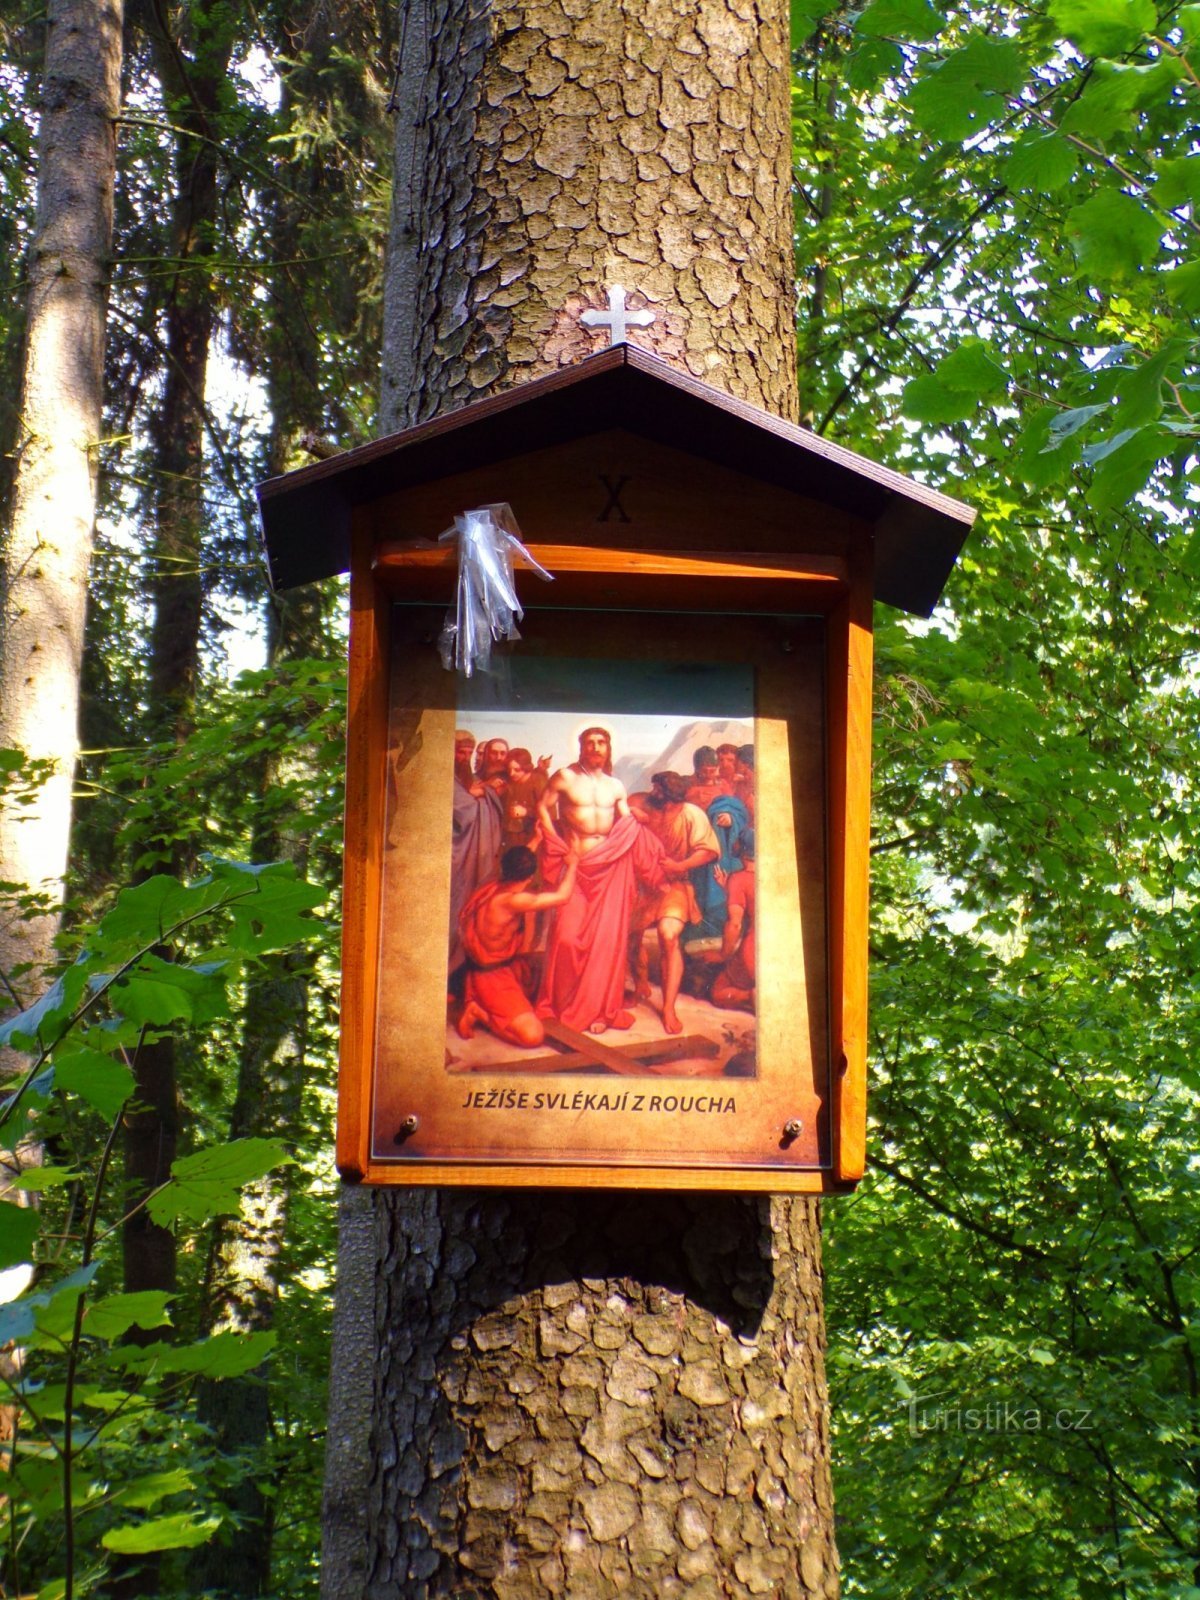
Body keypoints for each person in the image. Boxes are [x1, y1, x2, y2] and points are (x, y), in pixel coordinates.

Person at [536, 726, 664, 1034]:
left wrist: (634, 815)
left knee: (604, 943)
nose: (596, 747)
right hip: (576, 865)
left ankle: (598, 1010)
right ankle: (564, 1004)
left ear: (607, 748)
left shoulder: (615, 785)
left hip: (609, 869)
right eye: (590, 742)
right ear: (581, 747)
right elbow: (542, 806)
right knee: (566, 938)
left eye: (601, 743)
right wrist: (556, 843)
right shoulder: (566, 777)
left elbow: (623, 818)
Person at [456, 845, 579, 1047]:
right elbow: (562, 897)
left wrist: (536, 840)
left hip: (490, 968)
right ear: (529, 877)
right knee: (533, 1036)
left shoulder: (492, 885)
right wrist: (573, 865)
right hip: (491, 978)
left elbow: (516, 860)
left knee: (545, 979)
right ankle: (478, 1012)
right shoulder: (513, 901)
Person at [632, 772, 720, 1034]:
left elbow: (708, 851)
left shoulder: (691, 814)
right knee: (630, 936)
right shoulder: (639, 804)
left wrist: (680, 865)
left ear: (673, 798)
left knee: (668, 935)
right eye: (655, 789)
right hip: (641, 886)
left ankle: (668, 1007)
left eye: (660, 791)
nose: (655, 794)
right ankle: (640, 981)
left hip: (675, 884)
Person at [449, 728, 503, 979]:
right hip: (457, 854)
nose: (466, 758)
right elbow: (465, 809)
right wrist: (485, 794)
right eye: (461, 752)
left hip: (471, 855)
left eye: (469, 753)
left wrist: (484, 792)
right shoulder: (447, 778)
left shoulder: (466, 777)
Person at [710, 829, 756, 1012]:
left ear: (742, 852)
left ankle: (752, 996)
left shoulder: (738, 879)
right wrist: (729, 890)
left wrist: (723, 954)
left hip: (753, 953)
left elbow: (735, 924)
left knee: (718, 992)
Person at [500, 746, 548, 851]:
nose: (511, 773)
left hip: (533, 839)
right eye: (509, 769)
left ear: (526, 767)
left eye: (517, 770)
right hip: (511, 839)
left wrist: (526, 812)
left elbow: (549, 813)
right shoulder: (509, 782)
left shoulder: (538, 782)